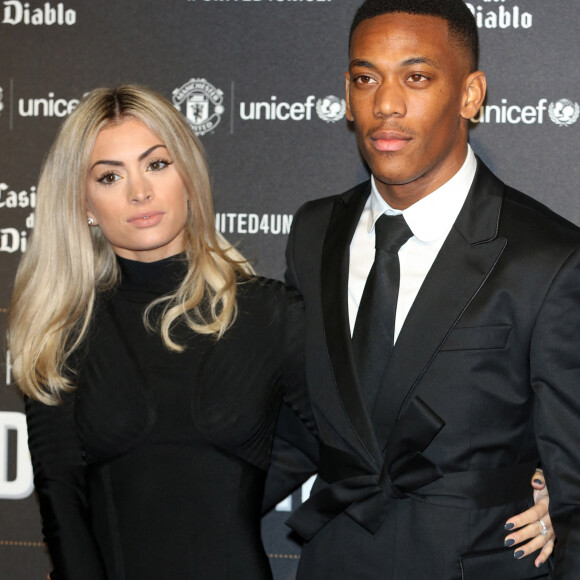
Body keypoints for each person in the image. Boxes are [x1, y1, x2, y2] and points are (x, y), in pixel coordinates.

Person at [279, 0, 580, 578]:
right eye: (366, 78)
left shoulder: (549, 258)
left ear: (470, 95)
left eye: (416, 78)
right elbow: (298, 422)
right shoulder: (314, 231)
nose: (385, 104)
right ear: (347, 92)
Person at [7, 84, 297, 579]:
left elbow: (343, 447)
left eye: (156, 164)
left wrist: (234, 490)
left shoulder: (269, 312)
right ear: (84, 204)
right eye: (110, 175)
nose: (139, 191)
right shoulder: (64, 330)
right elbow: (64, 511)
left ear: (188, 174)